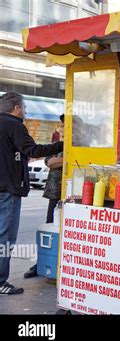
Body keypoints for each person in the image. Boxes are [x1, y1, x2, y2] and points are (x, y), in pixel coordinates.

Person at [0, 92, 63, 295]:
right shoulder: (14, 125)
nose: (25, 112)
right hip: (8, 189)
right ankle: (1, 281)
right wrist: (63, 145)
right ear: (17, 108)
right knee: (5, 236)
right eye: (25, 108)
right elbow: (32, 150)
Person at [24, 115, 64, 279]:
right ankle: (42, 262)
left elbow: (57, 161)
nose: (61, 128)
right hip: (55, 192)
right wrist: (65, 159)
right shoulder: (59, 144)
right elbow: (49, 162)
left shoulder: (80, 145)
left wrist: (61, 160)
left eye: (64, 125)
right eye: (61, 125)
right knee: (50, 227)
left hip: (71, 194)